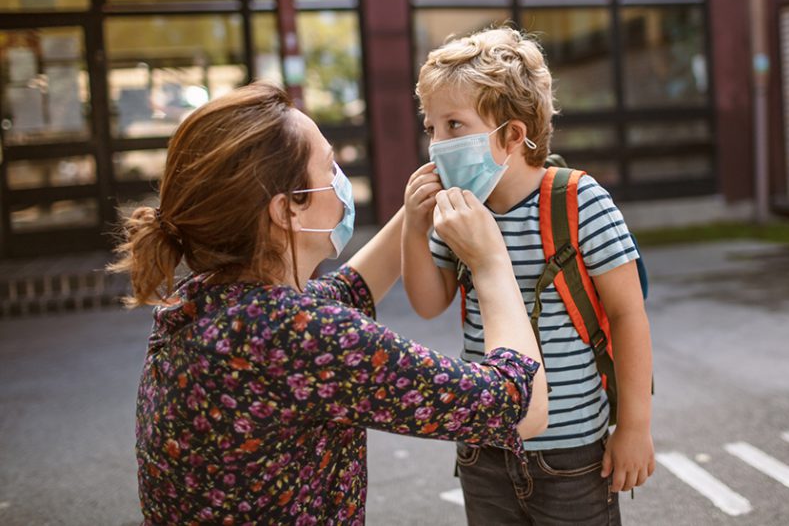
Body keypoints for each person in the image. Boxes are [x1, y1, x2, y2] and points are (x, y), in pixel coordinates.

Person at [109, 82, 547, 525]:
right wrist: (489, 262)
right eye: (329, 165)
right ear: (287, 210)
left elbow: (352, 290)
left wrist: (417, 207)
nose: (339, 179)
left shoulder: (209, 303)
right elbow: (519, 407)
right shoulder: (295, 334)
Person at [402, 27, 655, 524]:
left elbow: (628, 316)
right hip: (484, 448)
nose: (437, 145)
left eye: (454, 125)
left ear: (513, 135)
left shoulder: (579, 202)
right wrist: (414, 225)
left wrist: (634, 428)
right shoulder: (457, 212)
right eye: (431, 128)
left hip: (574, 455)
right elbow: (430, 302)